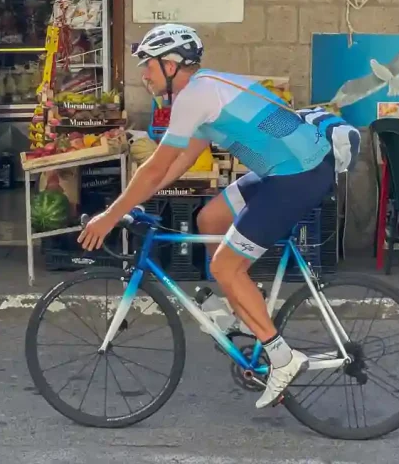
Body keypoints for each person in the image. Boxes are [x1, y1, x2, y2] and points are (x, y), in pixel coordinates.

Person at [79, 23, 360, 409]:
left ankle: (281, 357)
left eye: (149, 65)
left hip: (298, 176)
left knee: (228, 267)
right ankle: (242, 310)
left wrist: (111, 215)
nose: (143, 74)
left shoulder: (195, 96)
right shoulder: (206, 89)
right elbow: (183, 158)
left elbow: (157, 167)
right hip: (280, 170)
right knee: (210, 220)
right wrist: (145, 197)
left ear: (172, 64)